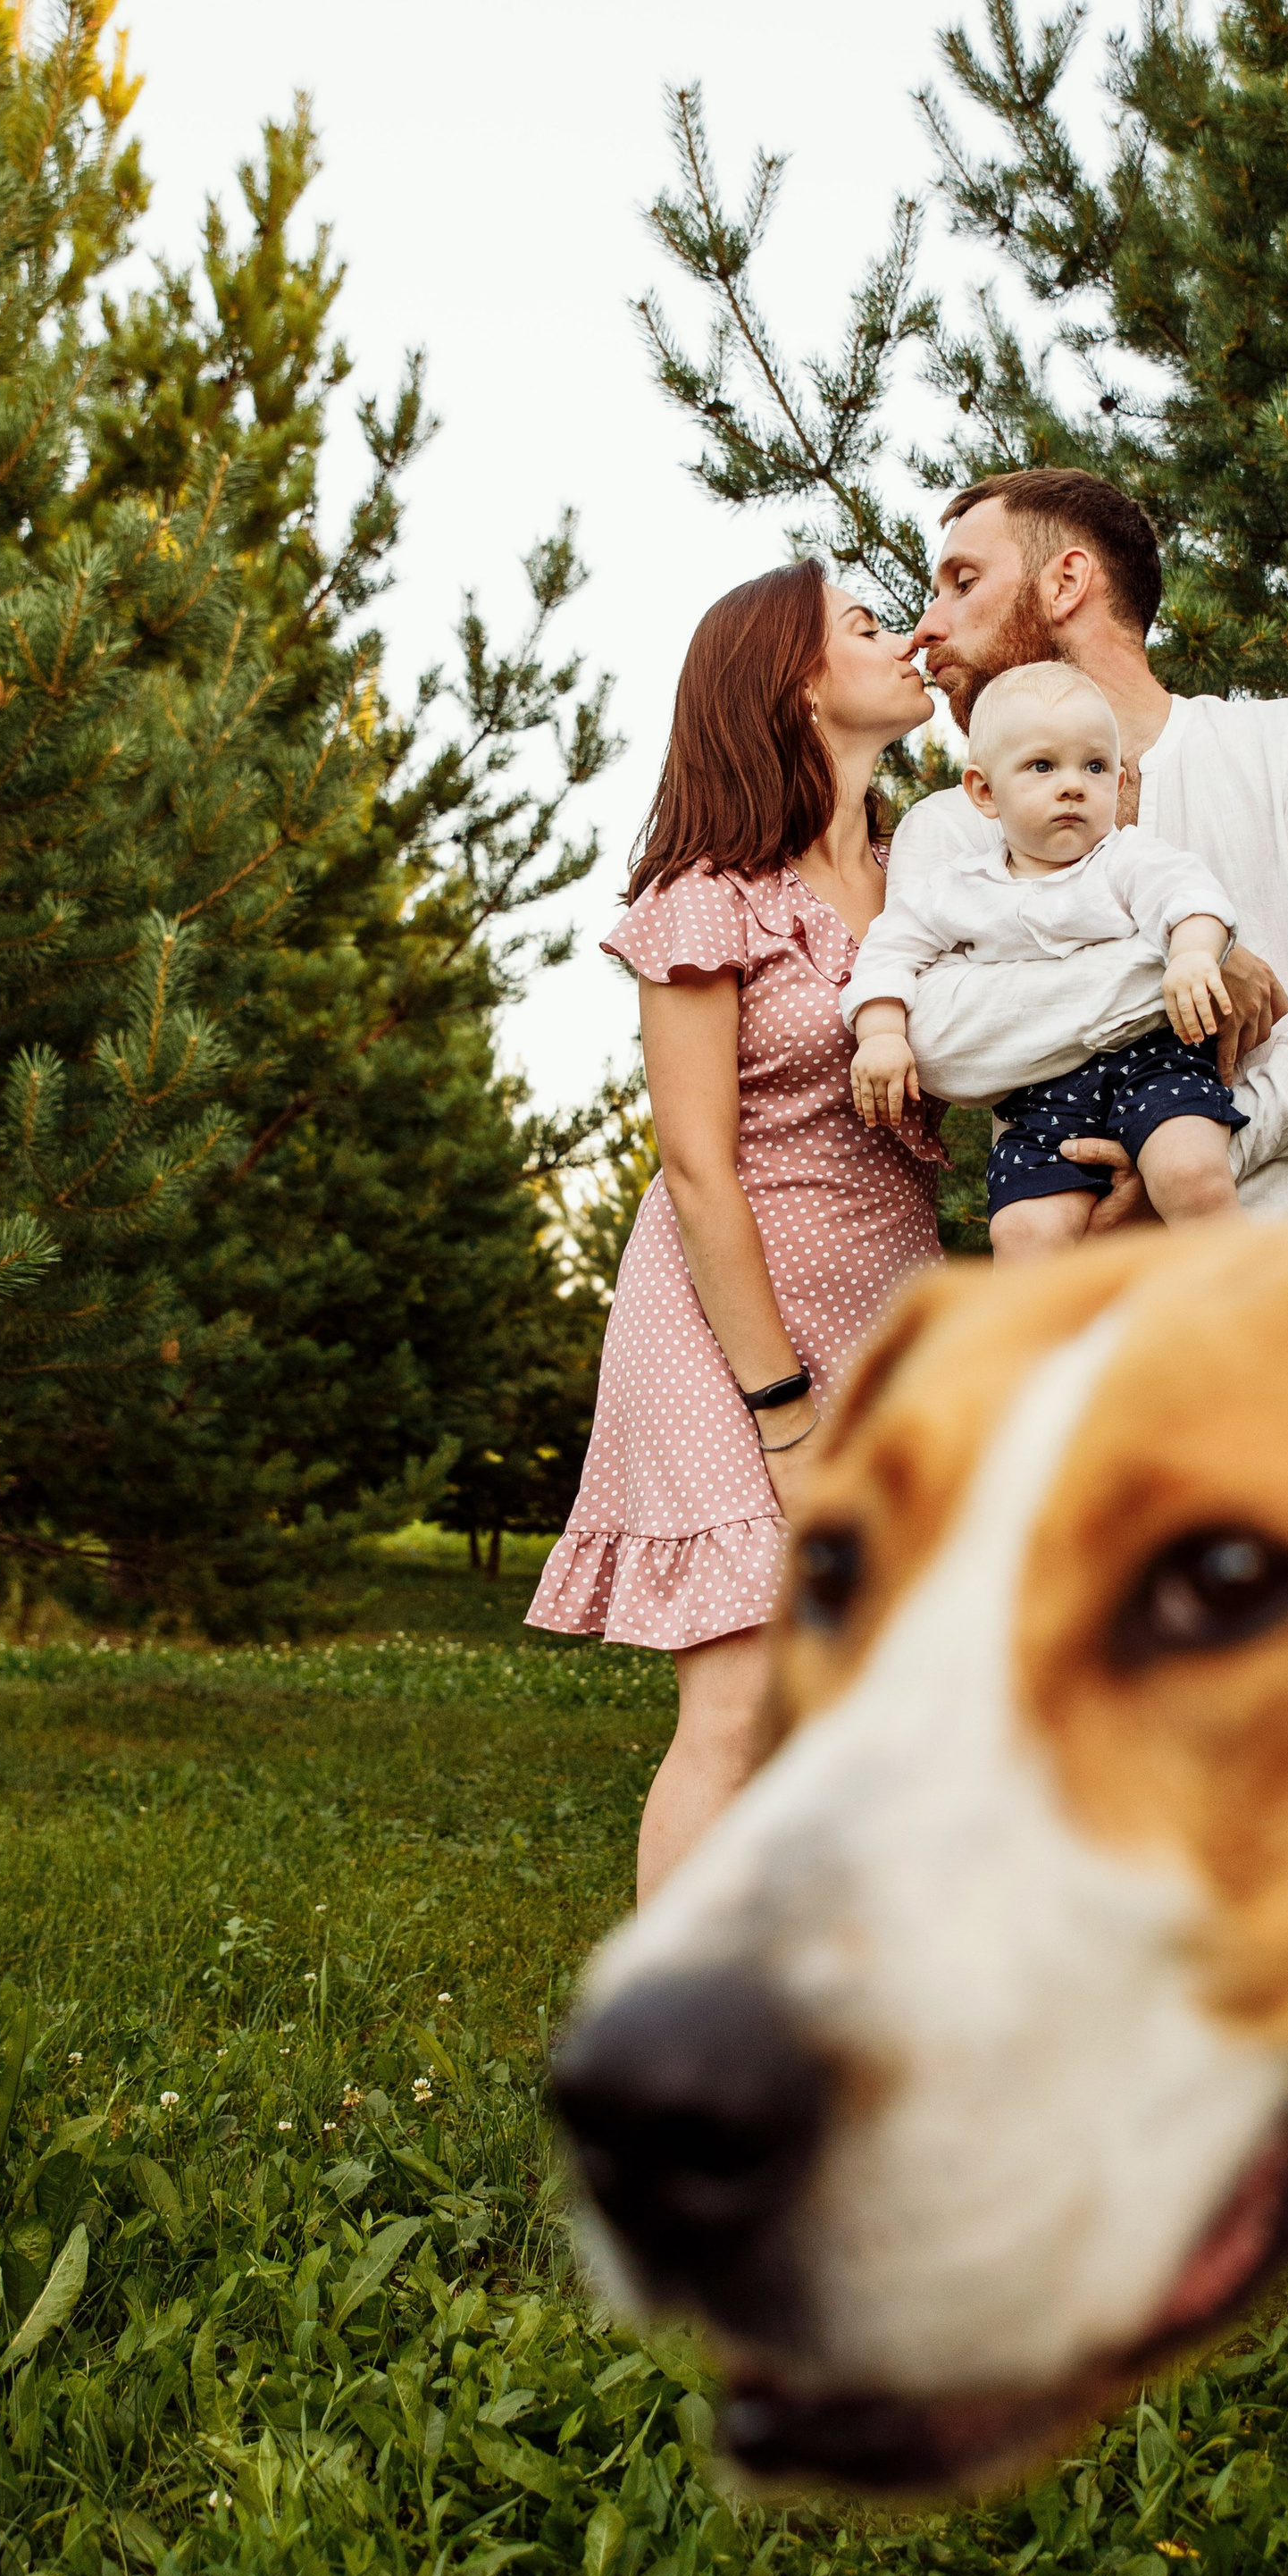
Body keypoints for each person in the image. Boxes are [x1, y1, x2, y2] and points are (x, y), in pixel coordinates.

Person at [528, 560, 940, 1898]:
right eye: (872, 627)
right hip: (722, 1324)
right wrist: (784, 1416)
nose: (912, 641)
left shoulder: (933, 872)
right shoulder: (711, 894)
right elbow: (699, 1173)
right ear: (800, 682)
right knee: (741, 1702)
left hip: (889, 1305)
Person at [894, 469, 1288, 1226]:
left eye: (963, 581)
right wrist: (1172, 967)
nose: (924, 626)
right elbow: (936, 1040)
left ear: (1067, 582)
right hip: (1104, 1326)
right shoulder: (950, 825)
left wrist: (1198, 1147)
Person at [843, 659, 1246, 1257]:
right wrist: (880, 1033)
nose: (1073, 785)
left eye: (1094, 766)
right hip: (1038, 1094)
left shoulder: (1125, 858)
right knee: (1022, 1232)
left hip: (1153, 1063)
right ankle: (1043, 1347)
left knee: (1190, 1171)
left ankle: (1249, 1309)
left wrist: (1190, 954)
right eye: (1042, 766)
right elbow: (888, 949)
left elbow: (1192, 897)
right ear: (984, 791)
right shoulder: (957, 886)